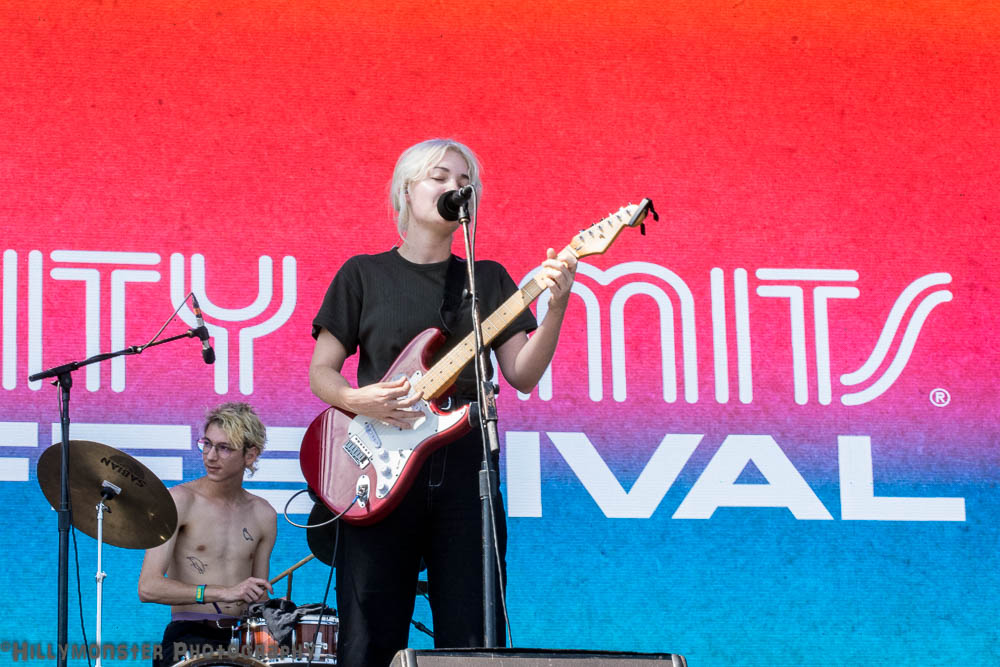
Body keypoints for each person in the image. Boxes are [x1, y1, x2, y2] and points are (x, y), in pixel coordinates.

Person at [308, 138, 578, 667]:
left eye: (464, 181)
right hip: (378, 471)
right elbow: (322, 373)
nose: (456, 187)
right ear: (406, 191)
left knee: (473, 635)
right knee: (368, 639)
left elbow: (522, 375)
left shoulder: (487, 278)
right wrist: (360, 399)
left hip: (465, 472)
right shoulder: (362, 274)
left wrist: (557, 306)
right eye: (440, 177)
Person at [138, 402, 277, 667]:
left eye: (224, 448)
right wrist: (222, 593)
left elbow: (257, 600)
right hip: (189, 635)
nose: (210, 456)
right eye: (207, 444)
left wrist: (278, 612)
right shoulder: (178, 501)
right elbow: (148, 587)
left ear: (250, 455)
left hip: (243, 640)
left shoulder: (264, 515)